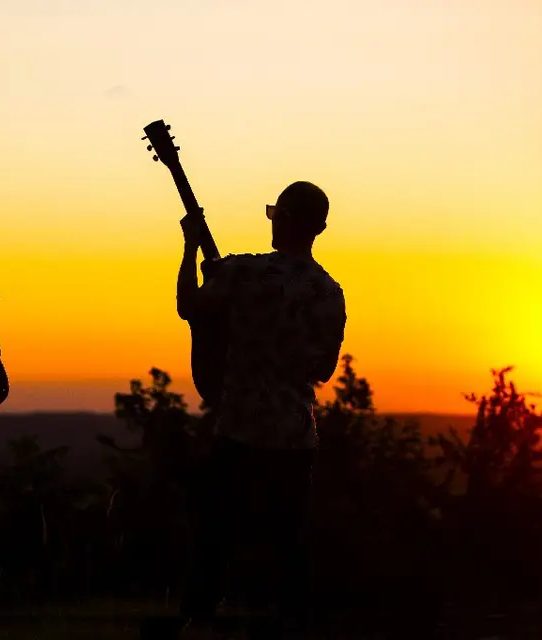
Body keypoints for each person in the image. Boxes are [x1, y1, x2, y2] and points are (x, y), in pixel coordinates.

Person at [175, 181, 347, 636]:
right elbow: (324, 369)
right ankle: (294, 622)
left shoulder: (244, 274)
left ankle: (200, 616)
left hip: (241, 428)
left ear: (285, 221)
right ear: (320, 229)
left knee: (217, 530)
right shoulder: (329, 292)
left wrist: (191, 246)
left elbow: (187, 304)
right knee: (289, 538)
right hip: (296, 434)